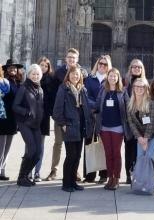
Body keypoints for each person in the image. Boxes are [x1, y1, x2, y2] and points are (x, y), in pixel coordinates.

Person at [45, 48, 88, 181]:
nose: (71, 60)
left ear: (77, 59)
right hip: (62, 117)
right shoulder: (58, 73)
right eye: (69, 57)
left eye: (74, 58)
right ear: (66, 58)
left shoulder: (83, 73)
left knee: (75, 150)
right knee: (58, 143)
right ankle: (54, 170)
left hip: (76, 119)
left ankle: (74, 172)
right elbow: (53, 94)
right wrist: (56, 115)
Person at [53, 65, 93, 192]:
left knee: (77, 156)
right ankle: (66, 183)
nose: (75, 76)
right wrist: (63, 124)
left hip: (81, 127)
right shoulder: (63, 89)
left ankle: (73, 182)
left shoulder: (82, 90)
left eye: (77, 74)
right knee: (71, 156)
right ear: (68, 75)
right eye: (73, 74)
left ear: (80, 76)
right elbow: (57, 111)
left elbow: (87, 107)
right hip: (70, 126)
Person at [96, 68, 131, 190]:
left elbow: (128, 108)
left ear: (118, 78)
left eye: (115, 76)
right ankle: (109, 177)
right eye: (111, 76)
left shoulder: (122, 91)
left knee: (116, 153)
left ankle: (116, 178)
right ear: (107, 77)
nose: (112, 78)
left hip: (118, 127)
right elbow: (97, 105)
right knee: (108, 153)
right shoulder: (103, 90)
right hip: (104, 127)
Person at [13, 64, 44, 187]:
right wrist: (26, 112)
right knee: (31, 150)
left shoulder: (40, 89)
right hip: (24, 122)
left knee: (38, 153)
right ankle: (21, 177)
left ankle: (25, 175)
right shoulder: (24, 88)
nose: (35, 76)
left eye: (37, 74)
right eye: (33, 74)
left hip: (36, 124)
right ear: (29, 74)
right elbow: (15, 106)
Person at [83, 55, 112, 183]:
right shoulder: (89, 79)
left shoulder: (111, 79)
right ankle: (89, 174)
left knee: (104, 145)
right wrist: (95, 106)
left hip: (105, 117)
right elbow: (85, 95)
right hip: (91, 116)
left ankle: (104, 174)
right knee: (89, 144)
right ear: (97, 64)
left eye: (105, 64)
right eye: (100, 63)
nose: (102, 66)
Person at [29, 56, 54, 182]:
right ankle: (27, 171)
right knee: (30, 145)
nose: (44, 67)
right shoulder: (32, 80)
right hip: (31, 117)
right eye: (42, 65)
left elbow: (52, 100)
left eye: (46, 66)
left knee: (40, 146)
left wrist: (47, 112)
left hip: (43, 117)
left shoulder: (51, 81)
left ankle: (37, 172)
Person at [127, 78, 154, 162]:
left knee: (149, 157)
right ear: (133, 87)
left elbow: (152, 122)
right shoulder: (129, 102)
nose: (139, 88)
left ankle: (150, 175)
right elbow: (131, 122)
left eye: (142, 86)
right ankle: (140, 175)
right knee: (140, 158)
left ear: (146, 88)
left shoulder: (151, 102)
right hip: (140, 136)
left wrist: (146, 139)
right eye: (137, 86)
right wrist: (139, 138)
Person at [124, 59, 146, 184]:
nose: (137, 69)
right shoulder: (126, 83)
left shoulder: (145, 83)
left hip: (141, 123)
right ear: (130, 68)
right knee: (129, 148)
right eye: (134, 67)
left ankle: (138, 173)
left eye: (139, 67)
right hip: (128, 122)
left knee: (140, 150)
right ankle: (128, 173)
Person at [0, 59, 23, 180]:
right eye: (10, 68)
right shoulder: (3, 82)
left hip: (13, 119)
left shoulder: (19, 83)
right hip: (3, 118)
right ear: (6, 70)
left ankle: (2, 171)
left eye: (14, 68)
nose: (12, 70)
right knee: (1, 146)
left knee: (7, 147)